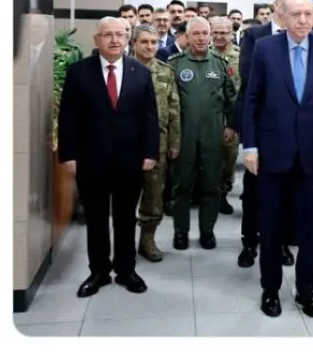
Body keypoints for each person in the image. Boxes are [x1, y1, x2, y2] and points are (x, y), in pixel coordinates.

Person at [243, 0, 313, 319]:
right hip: (273, 154)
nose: (302, 20)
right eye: (296, 14)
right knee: (271, 227)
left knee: (310, 231)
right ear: (282, 16)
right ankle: (270, 289)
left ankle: (306, 291)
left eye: (308, 14)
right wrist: (250, 146)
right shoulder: (265, 48)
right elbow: (252, 99)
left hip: (312, 156)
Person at [57, 17, 161, 297]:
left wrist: (151, 152)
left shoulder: (140, 72)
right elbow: (67, 117)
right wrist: (68, 154)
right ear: (97, 39)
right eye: (107, 35)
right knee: (96, 219)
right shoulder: (79, 72)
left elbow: (150, 116)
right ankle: (99, 272)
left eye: (119, 34)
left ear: (127, 38)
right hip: (91, 159)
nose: (114, 40)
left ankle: (126, 270)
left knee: (126, 218)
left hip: (130, 160)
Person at [234, 0, 300, 269]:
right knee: (254, 190)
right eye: (289, 6)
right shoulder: (255, 36)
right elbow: (249, 79)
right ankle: (250, 242)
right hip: (261, 126)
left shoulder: (301, 37)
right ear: (277, 6)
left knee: (287, 190)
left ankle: (281, 242)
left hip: (293, 130)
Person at [168, 17, 236, 250]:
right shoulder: (174, 64)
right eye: (195, 34)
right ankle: (180, 232)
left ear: (210, 36)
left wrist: (231, 126)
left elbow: (231, 98)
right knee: (181, 186)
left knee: (212, 185)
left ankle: (207, 231)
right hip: (184, 134)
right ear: (186, 37)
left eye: (204, 33)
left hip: (213, 134)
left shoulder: (220, 64)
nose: (200, 38)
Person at [129, 24, 181, 262]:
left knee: (154, 196)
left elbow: (174, 109)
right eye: (144, 42)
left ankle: (147, 239)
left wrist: (174, 142)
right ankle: (124, 240)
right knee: (125, 195)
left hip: (157, 144)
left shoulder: (165, 71)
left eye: (154, 42)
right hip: (126, 144)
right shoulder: (123, 68)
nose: (150, 47)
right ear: (133, 44)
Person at [209, 15, 242, 215]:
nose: (219, 36)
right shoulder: (203, 54)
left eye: (224, 33)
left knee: (229, 157)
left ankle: (223, 192)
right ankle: (208, 194)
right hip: (207, 116)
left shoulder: (242, 56)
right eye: (216, 33)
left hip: (232, 117)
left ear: (232, 34)